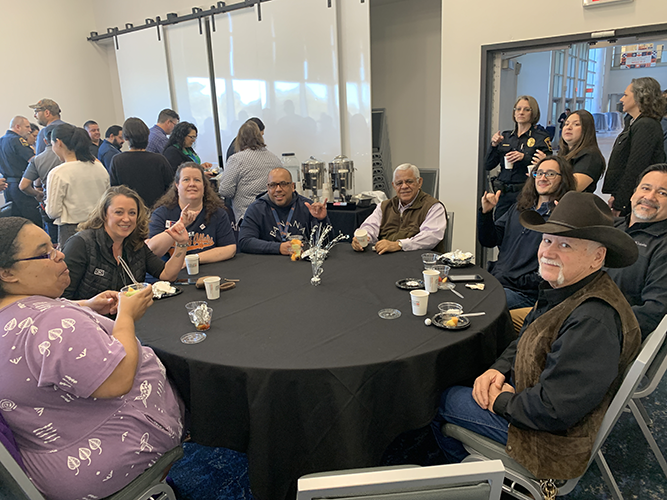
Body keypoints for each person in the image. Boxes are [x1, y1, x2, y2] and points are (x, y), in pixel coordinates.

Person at [432, 191, 640, 481]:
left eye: (565, 244)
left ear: (597, 257)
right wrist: (499, 369)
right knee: (463, 373)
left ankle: (474, 483)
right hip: (532, 401)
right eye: (547, 240)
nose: (547, 252)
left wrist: (501, 402)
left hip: (550, 441)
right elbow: (528, 334)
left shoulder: (593, 320)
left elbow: (554, 410)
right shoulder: (567, 288)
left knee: (441, 398)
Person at [0, 216, 185, 500]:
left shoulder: (18, 314)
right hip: (100, 460)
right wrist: (126, 316)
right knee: (190, 379)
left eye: (54, 246)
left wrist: (85, 306)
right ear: (7, 273)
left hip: (48, 458)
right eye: (46, 253)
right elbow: (119, 379)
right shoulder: (52, 322)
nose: (60, 254)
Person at [478, 156, 576, 309]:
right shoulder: (520, 208)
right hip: (499, 281)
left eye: (550, 174)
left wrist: (511, 278)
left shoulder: (562, 217)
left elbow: (550, 273)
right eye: (539, 173)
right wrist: (485, 214)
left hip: (525, 293)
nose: (542, 178)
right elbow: (489, 240)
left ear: (563, 179)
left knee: (482, 305)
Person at [62, 186, 189, 300]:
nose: (126, 219)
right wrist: (91, 305)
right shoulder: (80, 244)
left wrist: (181, 244)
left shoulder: (135, 244)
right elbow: (61, 300)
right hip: (89, 321)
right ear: (104, 214)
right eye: (119, 212)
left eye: (132, 213)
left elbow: (167, 275)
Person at [606, 163, 667, 339]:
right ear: (634, 193)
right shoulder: (608, 226)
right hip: (570, 315)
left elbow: (654, 312)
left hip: (608, 336)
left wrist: (597, 325)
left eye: (662, 193)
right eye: (645, 188)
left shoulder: (662, 247)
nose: (650, 197)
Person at [148, 162, 236, 263]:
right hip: (172, 276)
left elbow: (230, 248)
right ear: (177, 185)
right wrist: (180, 225)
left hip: (209, 273)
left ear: (204, 186)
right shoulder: (161, 214)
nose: (192, 184)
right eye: (186, 180)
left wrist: (191, 260)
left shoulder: (217, 213)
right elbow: (152, 252)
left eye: (197, 180)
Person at [603, 77, 666, 216]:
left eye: (625, 95)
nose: (621, 100)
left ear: (640, 97)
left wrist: (621, 202)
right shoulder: (634, 123)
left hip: (633, 200)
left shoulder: (646, 125)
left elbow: (635, 168)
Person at [351, 163, 447, 254]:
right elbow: (370, 226)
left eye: (409, 181)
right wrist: (361, 239)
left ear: (419, 182)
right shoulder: (384, 206)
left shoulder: (433, 207)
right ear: (394, 186)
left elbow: (430, 237)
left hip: (417, 261)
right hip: (385, 260)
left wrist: (399, 245)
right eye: (399, 183)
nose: (404, 186)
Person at [484, 95, 553, 220]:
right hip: (503, 194)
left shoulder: (541, 138)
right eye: (518, 109)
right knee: (500, 228)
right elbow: (488, 165)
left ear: (534, 113)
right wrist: (493, 146)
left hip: (526, 193)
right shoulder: (505, 136)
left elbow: (548, 166)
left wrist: (524, 157)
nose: (521, 112)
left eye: (527, 109)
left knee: (521, 228)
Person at [238, 167, 328, 255]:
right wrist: (278, 248)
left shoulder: (307, 206)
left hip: (300, 263)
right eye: (272, 185)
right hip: (267, 264)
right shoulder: (256, 209)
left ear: (292, 187)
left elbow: (326, 243)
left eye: (283, 184)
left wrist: (322, 220)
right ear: (268, 188)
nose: (278, 189)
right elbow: (245, 241)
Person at [45, 124, 110, 246]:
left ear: (58, 142)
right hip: (100, 227)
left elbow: (53, 212)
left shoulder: (58, 173)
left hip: (72, 230)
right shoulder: (99, 167)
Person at [219, 120, 282, 225]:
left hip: (247, 217)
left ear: (239, 139)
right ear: (260, 137)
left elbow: (225, 191)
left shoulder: (236, 159)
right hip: (273, 216)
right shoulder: (275, 159)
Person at [108, 118, 173, 208]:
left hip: (130, 211)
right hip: (157, 212)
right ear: (147, 136)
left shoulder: (117, 160)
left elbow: (115, 191)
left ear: (126, 138)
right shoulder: (159, 160)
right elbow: (171, 188)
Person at [536, 110, 605, 193]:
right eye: (566, 124)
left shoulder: (590, 156)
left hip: (575, 204)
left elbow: (573, 187)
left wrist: (550, 167)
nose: (568, 127)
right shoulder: (565, 153)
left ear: (587, 130)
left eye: (576, 124)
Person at [19, 128, 64, 243]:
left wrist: (37, 194)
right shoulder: (70, 156)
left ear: (45, 141)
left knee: (53, 241)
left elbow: (23, 186)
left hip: (49, 204)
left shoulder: (37, 160)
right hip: (70, 204)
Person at [0, 116, 40, 225]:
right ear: (17, 127)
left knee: (15, 222)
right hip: (21, 185)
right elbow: (33, 161)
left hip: (7, 186)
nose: (29, 130)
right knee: (32, 221)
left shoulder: (2, 140)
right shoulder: (17, 140)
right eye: (27, 127)